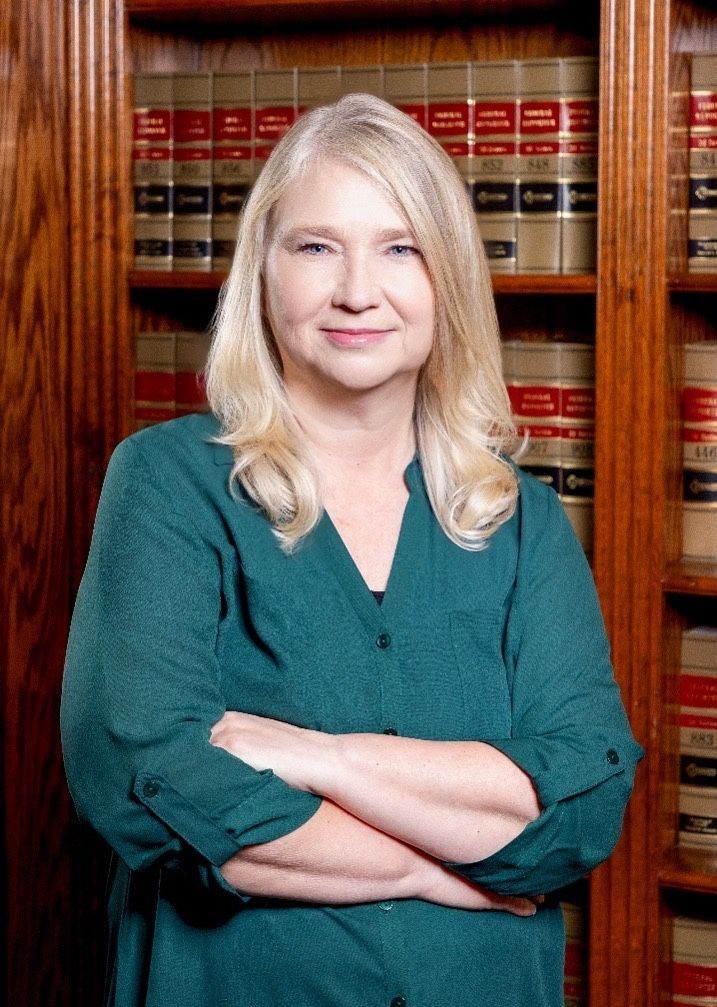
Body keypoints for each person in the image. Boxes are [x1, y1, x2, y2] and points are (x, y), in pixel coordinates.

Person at [61, 93, 644, 1007]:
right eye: (316, 246)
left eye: (400, 247)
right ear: (264, 272)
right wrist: (445, 869)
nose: (357, 291)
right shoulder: (167, 484)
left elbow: (580, 802)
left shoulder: (520, 518)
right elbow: (154, 779)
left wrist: (318, 757)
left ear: (446, 278)